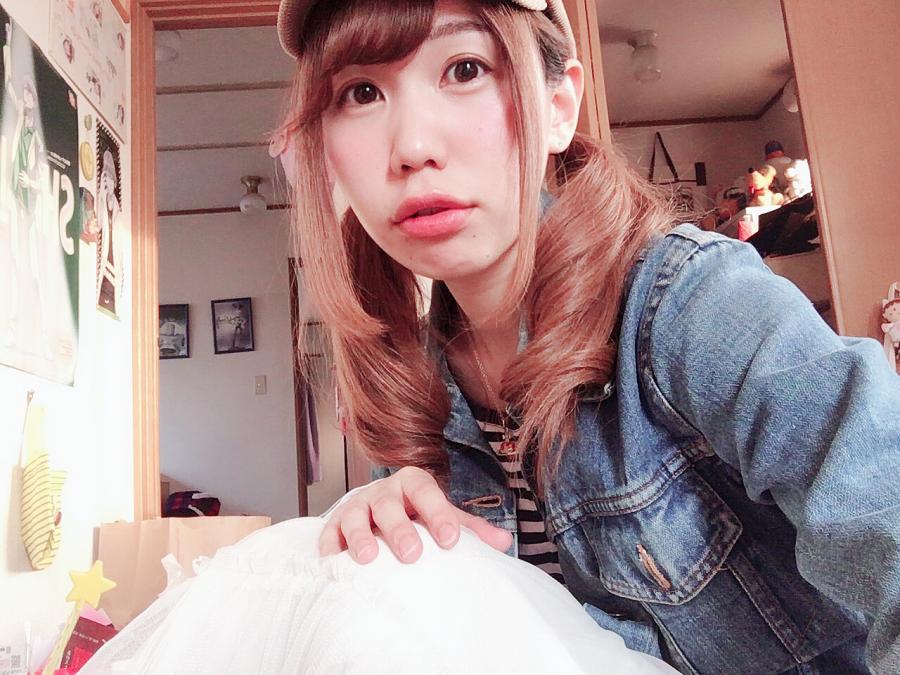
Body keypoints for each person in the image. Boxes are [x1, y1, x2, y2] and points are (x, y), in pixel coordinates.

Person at [271, 1, 900, 673]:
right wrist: (378, 547)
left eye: (465, 69)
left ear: (559, 106)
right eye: (361, 93)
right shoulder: (413, 392)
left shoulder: (690, 301)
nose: (412, 148)